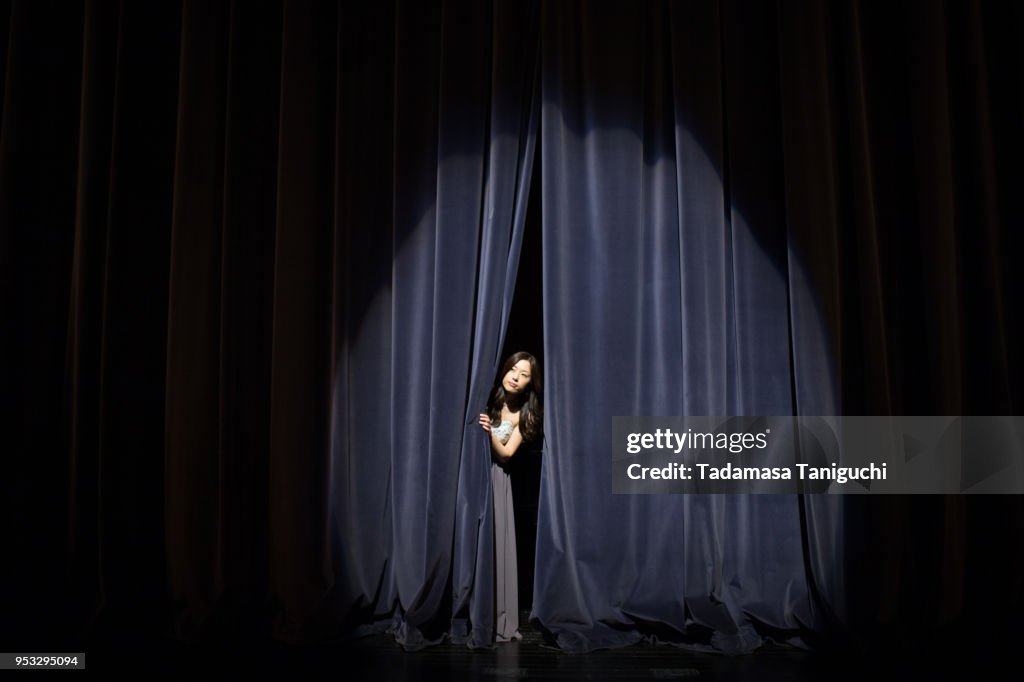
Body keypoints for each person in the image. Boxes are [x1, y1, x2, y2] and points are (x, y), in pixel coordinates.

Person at [478, 351, 542, 643]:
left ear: (530, 383)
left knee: (496, 543)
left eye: (524, 374)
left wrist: (489, 431)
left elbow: (506, 454)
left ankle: (497, 617)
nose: (516, 377)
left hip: (496, 478)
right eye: (513, 370)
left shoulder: (524, 414)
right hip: (472, 473)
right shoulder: (485, 394)